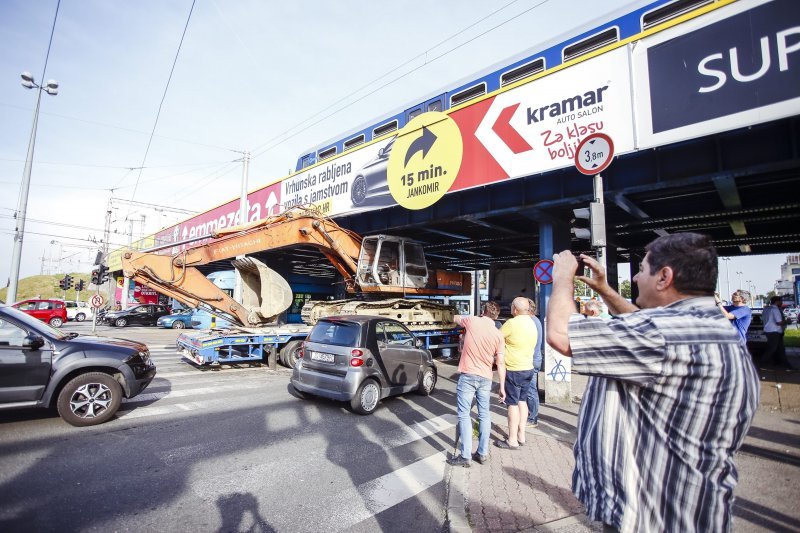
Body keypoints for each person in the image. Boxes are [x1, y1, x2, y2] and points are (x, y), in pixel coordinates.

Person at [546, 233, 759, 532]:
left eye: (642, 269)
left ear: (664, 277)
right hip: (691, 512)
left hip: (652, 516)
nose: (634, 277)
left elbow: (561, 334)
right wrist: (606, 290)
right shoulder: (707, 328)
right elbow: (644, 327)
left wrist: (562, 278)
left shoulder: (662, 334)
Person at [447, 301, 505, 467]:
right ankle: (482, 453)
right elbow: (501, 363)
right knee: (484, 414)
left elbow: (455, 317)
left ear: (483, 312)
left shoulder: (472, 321)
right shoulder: (498, 335)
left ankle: (465, 456)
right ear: (497, 316)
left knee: (464, 414)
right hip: (486, 378)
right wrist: (502, 387)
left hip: (468, 375)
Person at [495, 297, 537, 450]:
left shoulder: (512, 323)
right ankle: (521, 435)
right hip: (528, 368)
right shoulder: (532, 322)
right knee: (522, 401)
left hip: (514, 369)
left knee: (512, 404)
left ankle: (512, 440)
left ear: (514, 309)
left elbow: (496, 337)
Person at [525, 298, 543, 428]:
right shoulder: (535, 320)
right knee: (530, 390)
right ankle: (530, 415)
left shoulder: (530, 322)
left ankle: (532, 418)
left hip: (531, 360)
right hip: (534, 359)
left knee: (531, 390)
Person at [761, 295, 789, 369]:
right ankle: (761, 363)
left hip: (768, 331)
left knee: (780, 349)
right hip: (774, 331)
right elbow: (779, 322)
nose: (782, 303)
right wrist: (787, 321)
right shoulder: (775, 309)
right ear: (777, 301)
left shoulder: (766, 309)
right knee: (772, 349)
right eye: (781, 301)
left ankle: (785, 364)